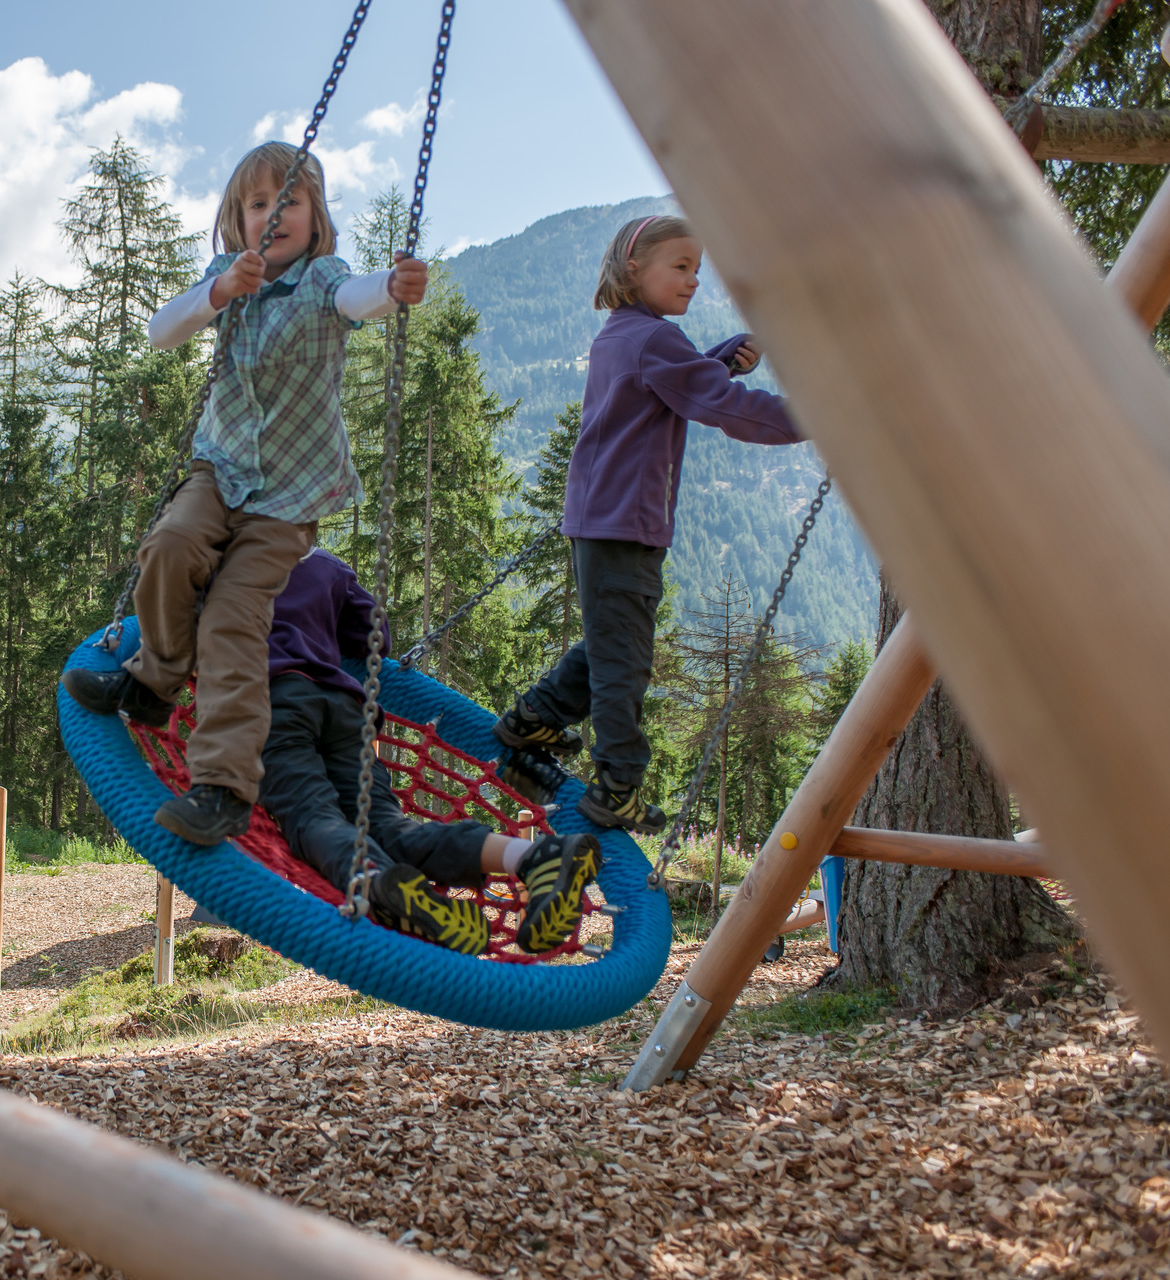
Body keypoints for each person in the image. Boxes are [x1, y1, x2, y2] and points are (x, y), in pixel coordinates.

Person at [62, 141, 428, 847]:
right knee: (170, 546)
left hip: (290, 497)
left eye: (290, 200)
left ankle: (224, 789)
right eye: (259, 203)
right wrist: (220, 291)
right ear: (238, 220)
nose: (274, 213)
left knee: (233, 618)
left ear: (316, 216)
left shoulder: (324, 279)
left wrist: (394, 285)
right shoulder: (227, 277)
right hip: (220, 465)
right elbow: (161, 332)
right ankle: (154, 683)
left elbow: (360, 298)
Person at [494, 214, 801, 833]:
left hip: (605, 520)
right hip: (623, 525)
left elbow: (668, 383)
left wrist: (717, 361)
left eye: (697, 269)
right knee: (624, 659)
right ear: (634, 268)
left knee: (612, 640)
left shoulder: (625, 334)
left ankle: (536, 718)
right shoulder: (655, 339)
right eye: (680, 266)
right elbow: (725, 406)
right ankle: (618, 786)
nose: (693, 280)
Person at [260, 548, 602, 956]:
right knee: (384, 825)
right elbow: (373, 636)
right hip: (345, 709)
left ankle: (382, 886)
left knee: (311, 815)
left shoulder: (224, 560)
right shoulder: (323, 563)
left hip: (271, 703)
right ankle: (532, 856)